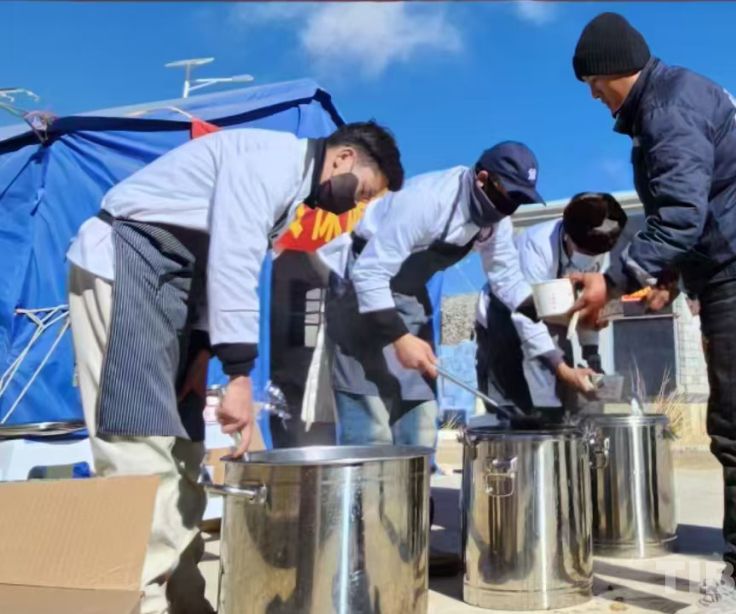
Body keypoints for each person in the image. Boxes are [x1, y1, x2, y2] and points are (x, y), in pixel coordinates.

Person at [66, 122, 403, 614]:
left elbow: (213, 266)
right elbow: (232, 261)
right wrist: (239, 375)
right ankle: (143, 604)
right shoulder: (271, 160)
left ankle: (184, 601)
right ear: (344, 158)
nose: (356, 206)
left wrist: (203, 353)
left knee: (184, 450)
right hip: (126, 264)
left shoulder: (291, 195)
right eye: (363, 193)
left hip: (176, 290)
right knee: (138, 444)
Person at [570, 13, 736, 614]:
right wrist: (669, 278)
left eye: (593, 84)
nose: (594, 96)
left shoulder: (667, 110)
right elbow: (700, 205)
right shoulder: (683, 92)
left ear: (611, 70)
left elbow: (679, 216)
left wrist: (611, 282)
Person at [318, 141, 594, 450]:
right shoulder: (428, 200)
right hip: (359, 290)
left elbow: (505, 279)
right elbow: (369, 273)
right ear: (483, 179)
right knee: (370, 425)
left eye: (520, 200)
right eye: (510, 196)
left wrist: (548, 312)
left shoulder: (495, 222)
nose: (511, 207)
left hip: (408, 297)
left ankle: (415, 480)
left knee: (419, 420)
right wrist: (401, 338)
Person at [475, 192, 627, 419]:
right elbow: (525, 316)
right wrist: (562, 369)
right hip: (505, 317)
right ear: (567, 235)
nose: (591, 259)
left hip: (554, 319)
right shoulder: (536, 247)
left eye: (596, 254)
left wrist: (591, 354)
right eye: (584, 252)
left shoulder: (598, 245)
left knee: (560, 401)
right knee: (514, 409)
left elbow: (586, 305)